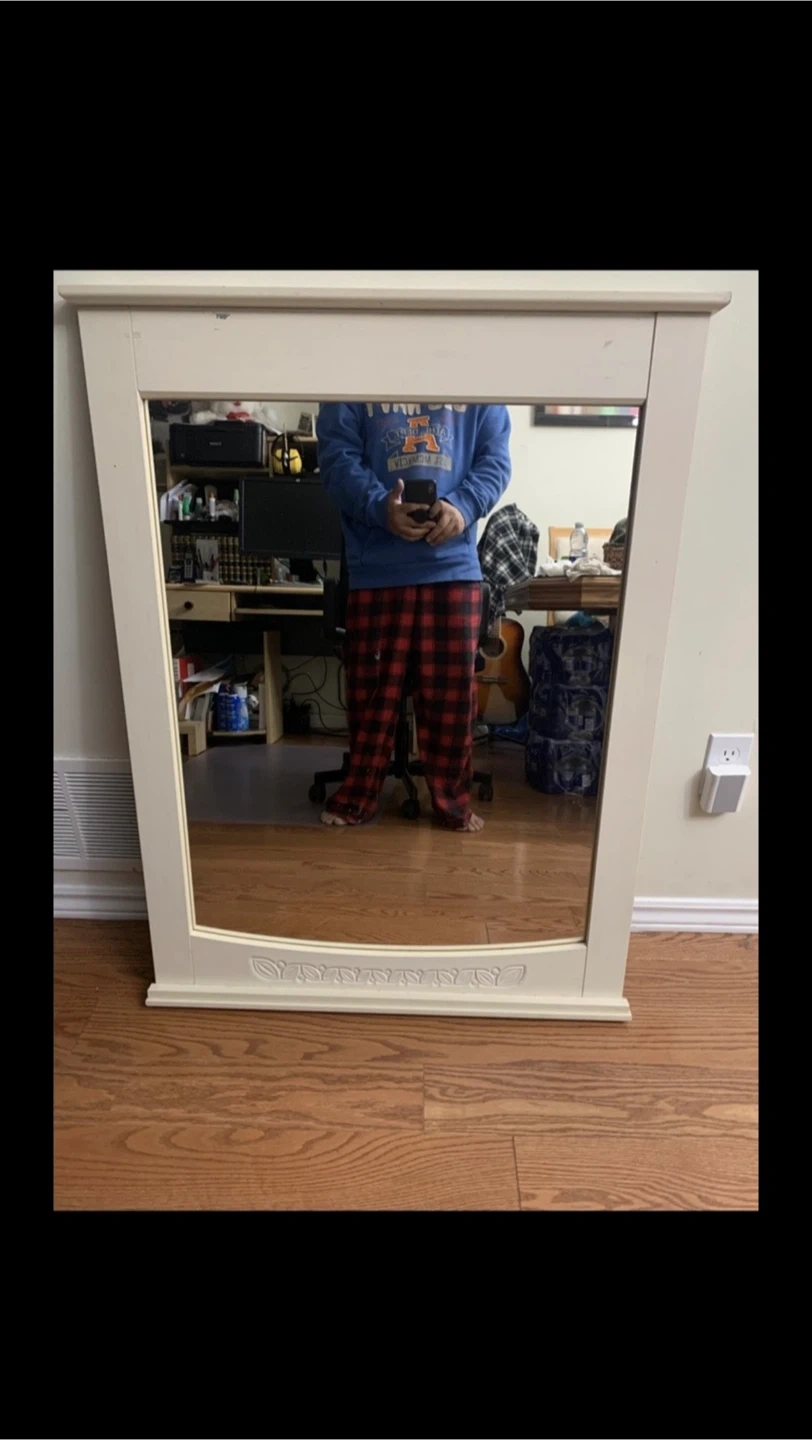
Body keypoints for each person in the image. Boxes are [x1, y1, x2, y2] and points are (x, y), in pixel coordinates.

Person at [316, 402, 511, 831]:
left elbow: (495, 460)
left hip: (453, 566)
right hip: (376, 567)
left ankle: (453, 804)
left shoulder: (482, 379)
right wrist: (378, 506)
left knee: (452, 700)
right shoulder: (351, 375)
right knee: (371, 697)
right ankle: (358, 796)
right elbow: (336, 457)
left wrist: (463, 506)